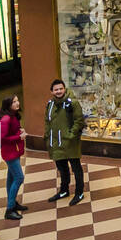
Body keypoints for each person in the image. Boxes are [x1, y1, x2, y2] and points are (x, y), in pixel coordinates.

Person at [44, 78, 85, 206]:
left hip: (69, 142)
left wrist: (71, 135)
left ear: (65, 89)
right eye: (56, 89)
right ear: (52, 91)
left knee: (76, 167)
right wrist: (47, 136)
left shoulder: (72, 103)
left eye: (61, 89)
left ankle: (79, 192)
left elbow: (79, 121)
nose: (59, 91)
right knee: (62, 168)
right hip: (56, 142)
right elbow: (47, 121)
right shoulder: (50, 104)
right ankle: (64, 190)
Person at [0, 94, 27, 220]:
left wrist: (19, 130)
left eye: (17, 100)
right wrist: (18, 137)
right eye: (14, 102)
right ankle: (9, 209)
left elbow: (12, 130)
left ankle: (13, 203)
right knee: (19, 177)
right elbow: (2, 138)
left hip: (13, 151)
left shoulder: (13, 115)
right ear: (8, 105)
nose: (17, 103)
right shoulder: (5, 119)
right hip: (10, 153)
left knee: (11, 178)